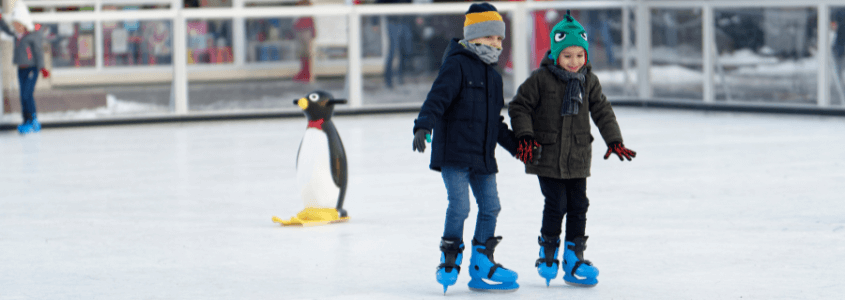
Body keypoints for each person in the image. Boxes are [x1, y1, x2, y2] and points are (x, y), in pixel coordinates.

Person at [508, 11, 636, 288]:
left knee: (579, 205)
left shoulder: (589, 80)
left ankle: (574, 256)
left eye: (580, 55)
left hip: (578, 155)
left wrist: (614, 139)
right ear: (555, 54)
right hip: (547, 155)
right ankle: (548, 250)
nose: (574, 62)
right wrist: (526, 136)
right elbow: (519, 106)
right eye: (567, 56)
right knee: (556, 204)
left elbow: (602, 110)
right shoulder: (540, 79)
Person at [412, 2, 519, 293]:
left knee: (491, 206)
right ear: (473, 37)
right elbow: (437, 98)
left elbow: (495, 123)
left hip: (482, 156)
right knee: (460, 206)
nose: (496, 44)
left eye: (499, 39)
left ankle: (482, 261)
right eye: (490, 38)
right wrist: (424, 125)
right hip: (455, 154)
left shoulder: (494, 78)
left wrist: (517, 148)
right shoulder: (456, 65)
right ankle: (450, 256)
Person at [0, 1, 49, 134]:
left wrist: (42, 68)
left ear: (24, 24)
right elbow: (6, 30)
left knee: (28, 94)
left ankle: (33, 119)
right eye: (15, 25)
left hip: (32, 68)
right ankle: (25, 120)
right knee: (23, 95)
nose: (16, 27)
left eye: (18, 24)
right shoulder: (17, 36)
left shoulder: (32, 36)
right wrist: (1, 20)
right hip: (21, 69)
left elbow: (38, 52)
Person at [376, 0, 413, 89]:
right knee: (392, 51)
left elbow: (410, 3)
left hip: (405, 21)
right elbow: (377, 3)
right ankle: (388, 80)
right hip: (393, 22)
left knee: (405, 50)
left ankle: (400, 77)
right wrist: (375, 21)